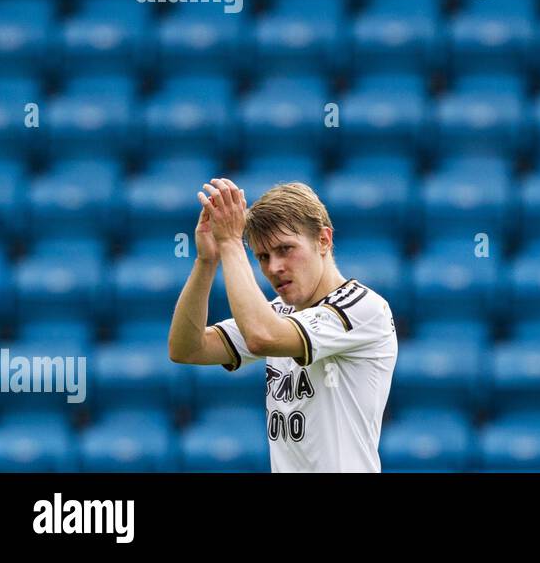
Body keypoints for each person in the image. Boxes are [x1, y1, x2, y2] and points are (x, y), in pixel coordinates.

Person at [168, 178, 397, 472]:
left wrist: (230, 243)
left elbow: (262, 337)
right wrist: (207, 261)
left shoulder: (362, 308)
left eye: (285, 249)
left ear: (324, 240)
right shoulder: (279, 313)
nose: (274, 267)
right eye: (263, 256)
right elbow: (187, 348)